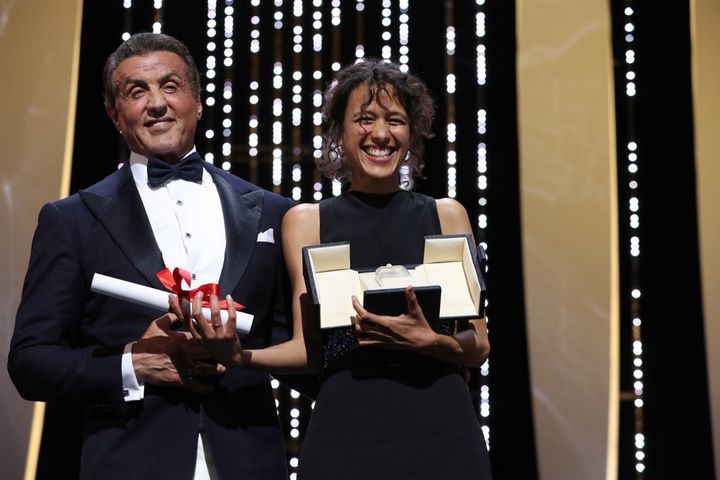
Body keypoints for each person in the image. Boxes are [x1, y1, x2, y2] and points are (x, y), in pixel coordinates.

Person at [186, 59, 492, 480]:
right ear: (339, 133)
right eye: (364, 119)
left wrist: (428, 342)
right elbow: (308, 348)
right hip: (346, 430)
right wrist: (241, 356)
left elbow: (477, 345)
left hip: (442, 428)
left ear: (411, 132)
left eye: (395, 120)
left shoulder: (447, 215)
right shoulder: (306, 221)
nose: (381, 134)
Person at [8, 32, 292, 479]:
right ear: (114, 116)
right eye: (136, 92)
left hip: (250, 461)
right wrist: (132, 364)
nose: (156, 103)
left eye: (171, 86)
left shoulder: (274, 212)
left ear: (197, 102)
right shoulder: (73, 220)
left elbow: (297, 345)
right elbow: (31, 362)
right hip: (130, 461)